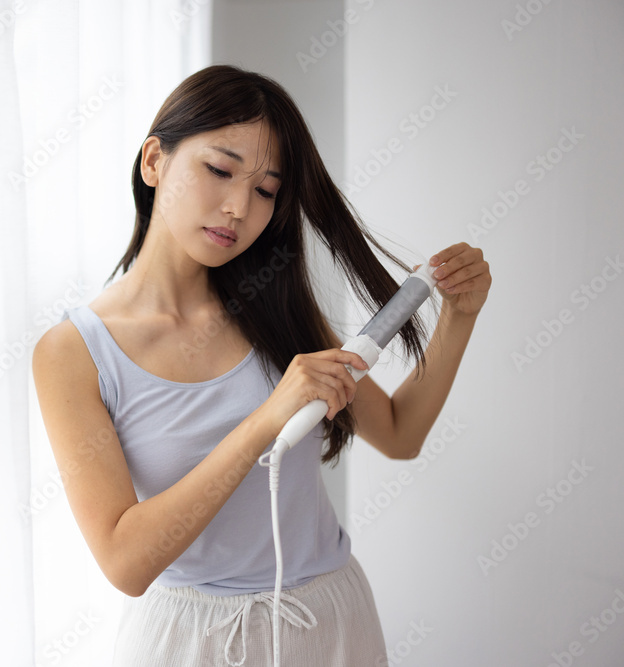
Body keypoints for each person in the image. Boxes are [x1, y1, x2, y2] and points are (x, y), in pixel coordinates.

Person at [31, 64, 491, 666]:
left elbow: (401, 435)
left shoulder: (278, 312)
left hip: (330, 626)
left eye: (266, 191)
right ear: (154, 161)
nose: (237, 207)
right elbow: (125, 563)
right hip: (188, 642)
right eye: (219, 171)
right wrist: (263, 422)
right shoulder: (74, 352)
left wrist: (460, 316)